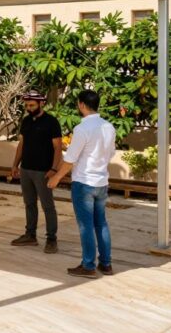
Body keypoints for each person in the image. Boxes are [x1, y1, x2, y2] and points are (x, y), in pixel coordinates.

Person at [47, 90, 115, 279]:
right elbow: (111, 154)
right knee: (100, 223)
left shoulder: (82, 129)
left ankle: (88, 266)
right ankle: (106, 264)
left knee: (86, 226)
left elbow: (70, 159)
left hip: (84, 183)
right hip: (101, 182)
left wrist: (56, 178)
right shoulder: (109, 127)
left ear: (82, 105)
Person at [10, 90, 63, 253]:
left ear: (41, 104)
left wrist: (54, 169)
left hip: (43, 172)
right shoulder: (26, 121)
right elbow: (22, 145)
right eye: (26, 105)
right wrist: (15, 165)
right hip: (26, 169)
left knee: (48, 206)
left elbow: (58, 147)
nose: (29, 108)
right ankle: (30, 235)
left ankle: (51, 239)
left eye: (32, 105)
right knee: (29, 203)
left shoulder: (51, 122)